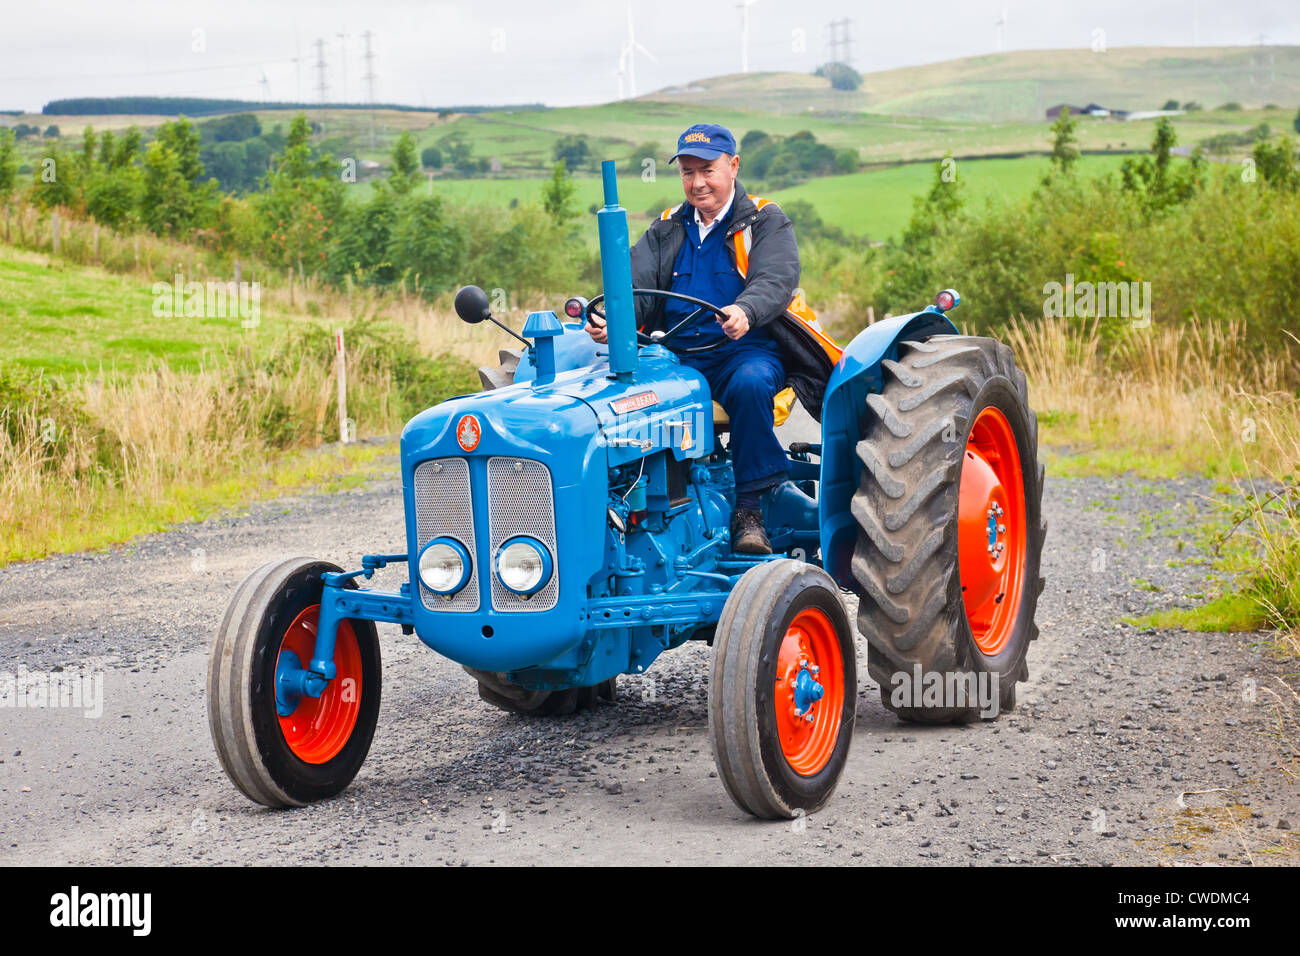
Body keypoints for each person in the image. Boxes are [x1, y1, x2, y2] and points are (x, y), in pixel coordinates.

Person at [584, 123, 802, 554]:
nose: (698, 182)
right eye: (687, 172)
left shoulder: (764, 219)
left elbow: (776, 278)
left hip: (742, 350)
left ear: (733, 166)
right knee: (622, 399)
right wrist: (616, 319)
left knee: (750, 383)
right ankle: (633, 512)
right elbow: (637, 287)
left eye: (707, 170)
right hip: (677, 356)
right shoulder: (668, 228)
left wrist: (746, 310)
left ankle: (749, 509)